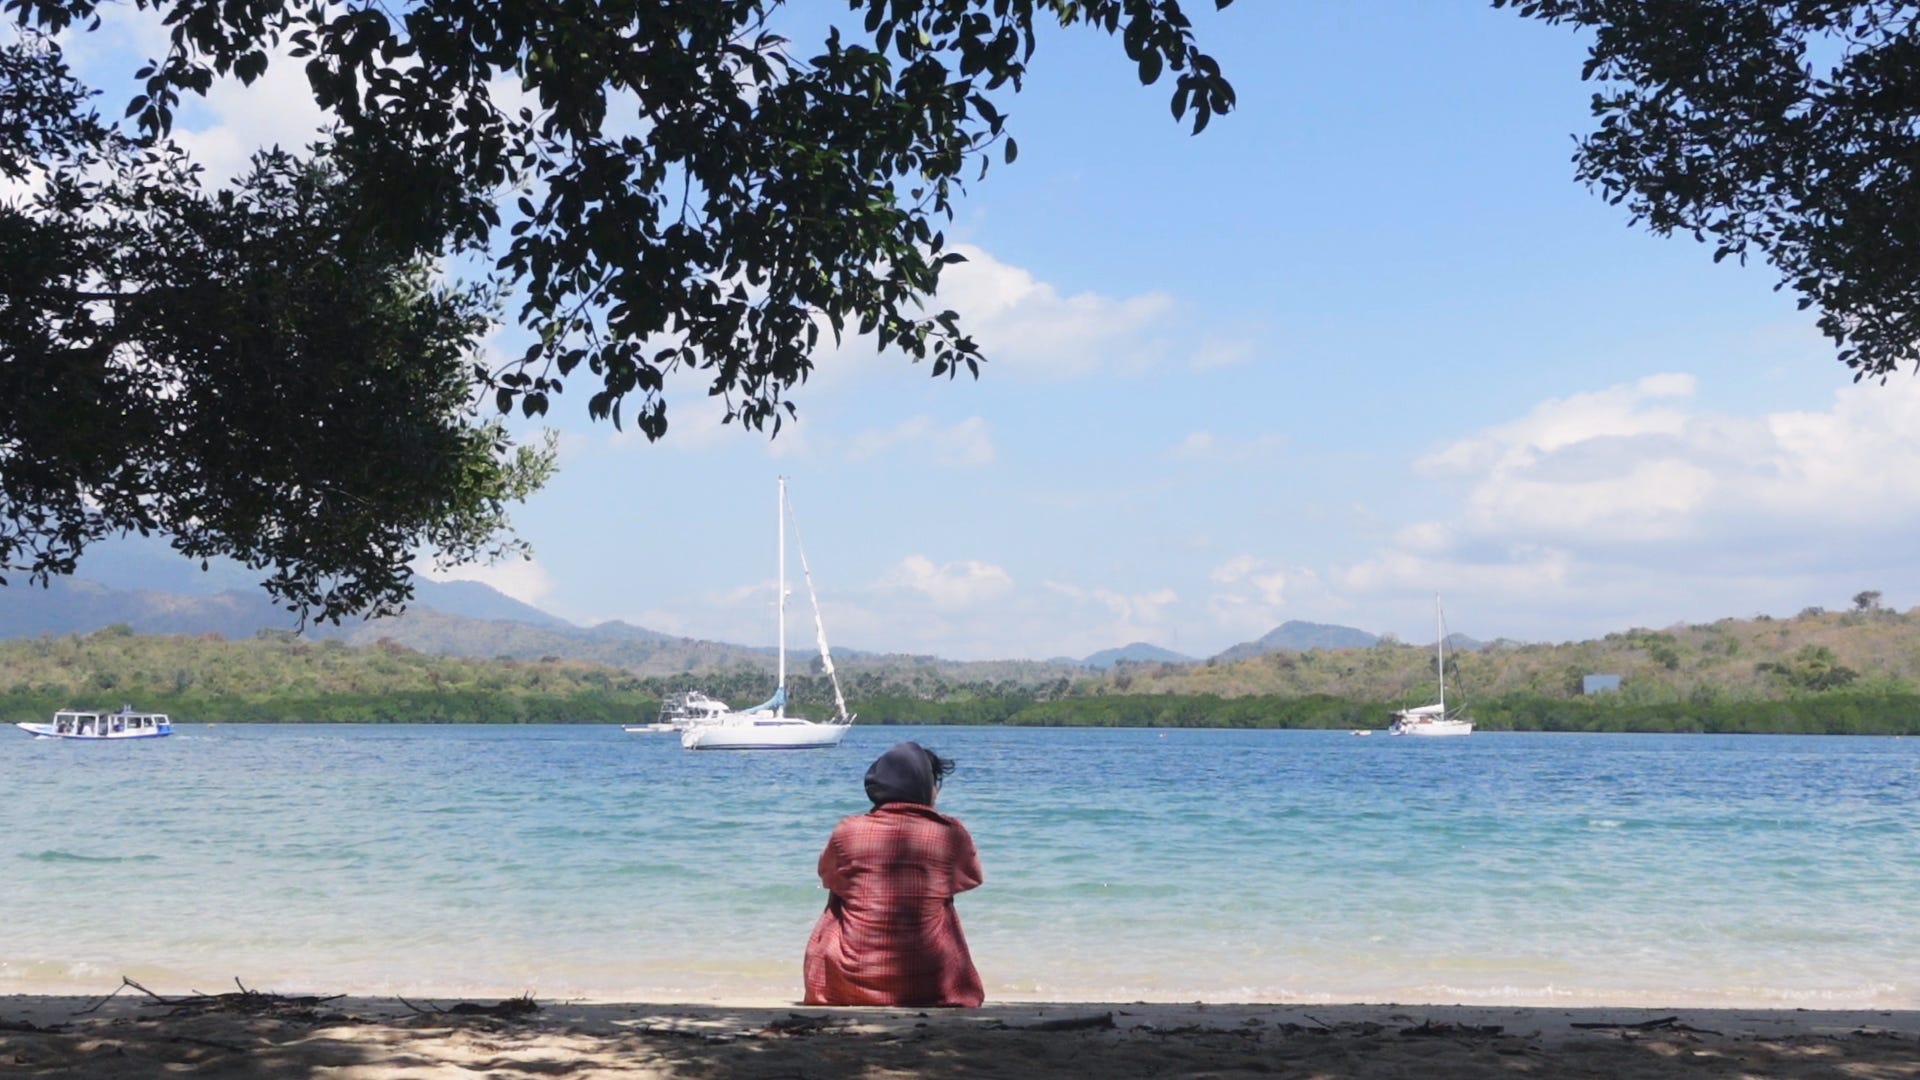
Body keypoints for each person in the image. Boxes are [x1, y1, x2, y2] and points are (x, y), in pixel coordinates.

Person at [802, 741, 984, 1007]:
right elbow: (971, 877)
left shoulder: (847, 831)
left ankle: (845, 980)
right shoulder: (951, 833)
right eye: (935, 783)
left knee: (842, 893)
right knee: (939, 898)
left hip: (847, 983)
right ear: (923, 786)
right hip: (930, 984)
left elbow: (828, 876)